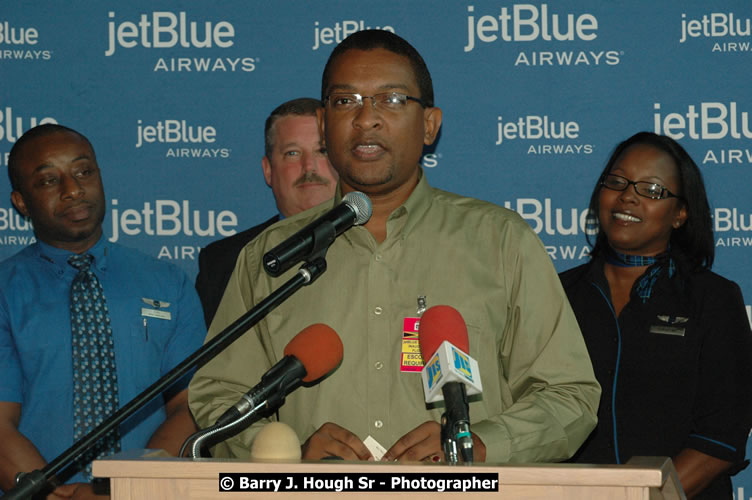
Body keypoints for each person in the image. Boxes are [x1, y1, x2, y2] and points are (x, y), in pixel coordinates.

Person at [189, 30, 600, 464]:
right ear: (324, 126)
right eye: (345, 101)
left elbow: (569, 395)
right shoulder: (272, 255)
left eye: (391, 100)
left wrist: (479, 444)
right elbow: (220, 393)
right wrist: (285, 454)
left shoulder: (501, 242)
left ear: (429, 125)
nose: (366, 119)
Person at [0, 124, 206, 498]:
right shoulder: (4, 291)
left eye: (84, 172)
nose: (73, 189)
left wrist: (127, 487)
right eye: (49, 181)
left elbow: (188, 406)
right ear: (21, 203)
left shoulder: (168, 284)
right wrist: (50, 494)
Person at [559, 132, 752, 499]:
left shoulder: (713, 299)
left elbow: (720, 438)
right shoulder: (556, 295)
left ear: (680, 214)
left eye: (652, 189)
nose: (628, 195)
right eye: (617, 181)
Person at [195, 98, 338, 327]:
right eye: (292, 153)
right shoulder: (223, 263)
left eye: (322, 151)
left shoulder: (382, 247)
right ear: (268, 170)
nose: (309, 166)